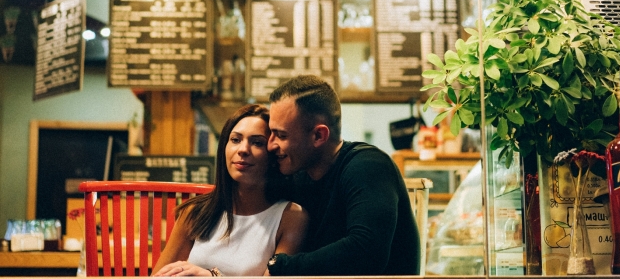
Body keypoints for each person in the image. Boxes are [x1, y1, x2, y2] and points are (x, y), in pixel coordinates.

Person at [266, 75, 421, 276]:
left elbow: (366, 251)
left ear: (319, 136)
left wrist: (282, 266)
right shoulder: (299, 177)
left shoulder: (367, 166)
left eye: (281, 135)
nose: (270, 145)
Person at [152, 104, 308, 277]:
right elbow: (157, 278)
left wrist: (213, 277)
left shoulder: (291, 218)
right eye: (235, 140)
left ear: (272, 155)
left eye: (257, 143)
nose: (243, 149)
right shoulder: (195, 212)